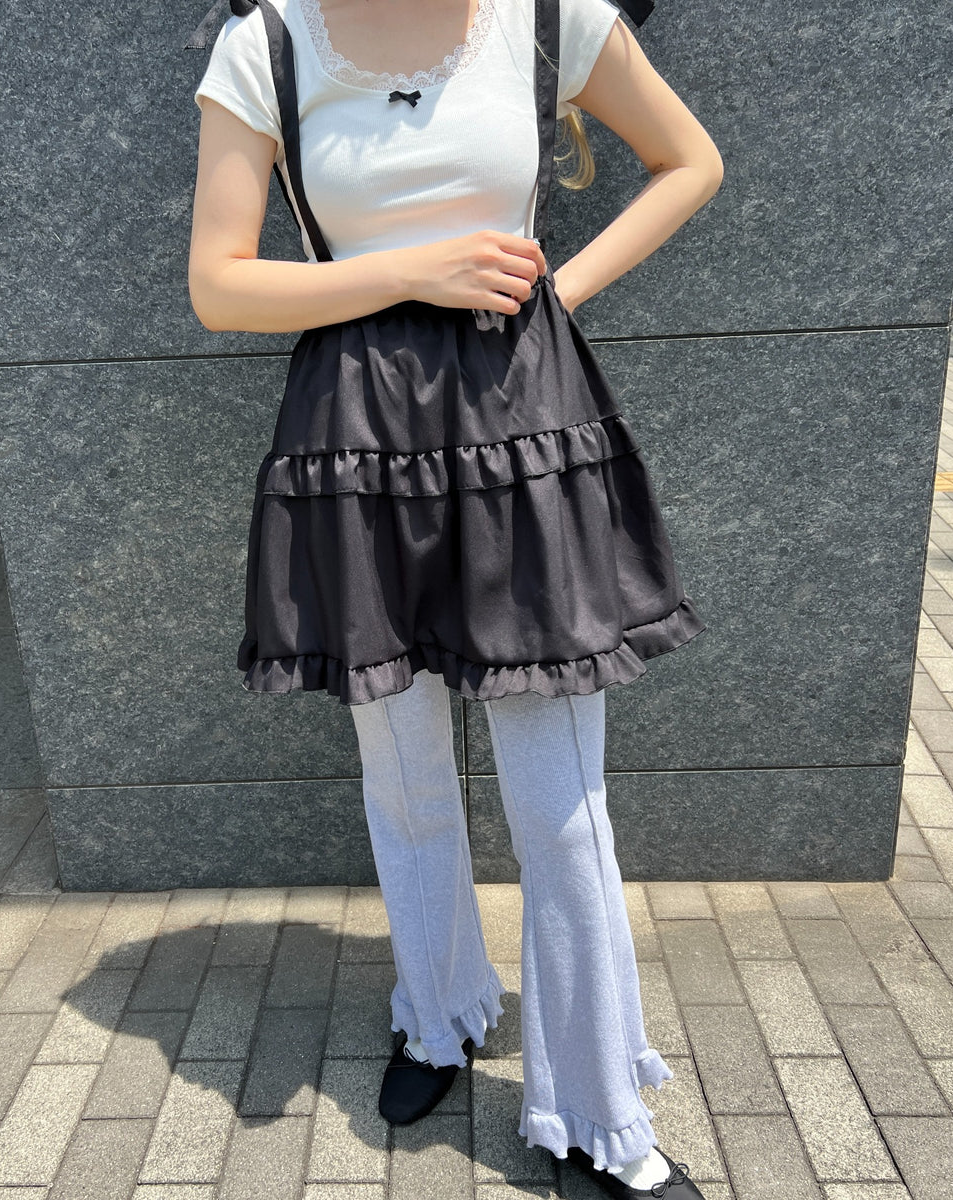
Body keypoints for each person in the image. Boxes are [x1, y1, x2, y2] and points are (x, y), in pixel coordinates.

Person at [188, 0, 722, 1194]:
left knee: (561, 807)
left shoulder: (551, 17)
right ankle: (437, 1014)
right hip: (354, 440)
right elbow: (218, 285)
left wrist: (555, 299)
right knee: (406, 779)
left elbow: (689, 161)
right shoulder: (268, 41)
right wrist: (408, 272)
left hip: (521, 431)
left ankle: (599, 1111)